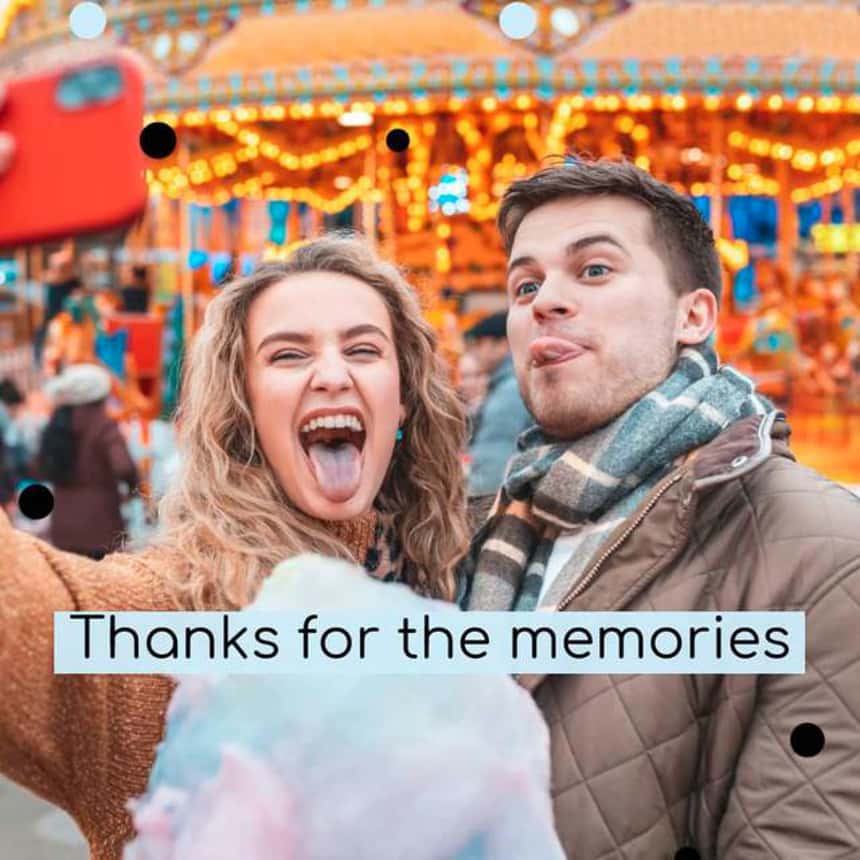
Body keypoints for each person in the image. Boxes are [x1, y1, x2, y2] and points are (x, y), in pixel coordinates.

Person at [0, 234, 469, 859]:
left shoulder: (468, 578)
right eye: (288, 355)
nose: (332, 373)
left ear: (403, 397)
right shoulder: (169, 619)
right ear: (243, 407)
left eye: (362, 349)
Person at [460, 158, 860, 857]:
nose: (544, 301)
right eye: (526, 284)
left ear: (693, 315)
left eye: (593, 271)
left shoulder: (819, 549)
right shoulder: (477, 531)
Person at [37, 363, 139, 558]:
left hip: (63, 527)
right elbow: (123, 466)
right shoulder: (103, 424)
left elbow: (40, 466)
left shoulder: (56, 424)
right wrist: (134, 487)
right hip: (101, 527)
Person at [463, 310, 534, 496]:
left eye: (480, 344)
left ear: (502, 345)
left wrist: (477, 510)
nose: (475, 351)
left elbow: (493, 464)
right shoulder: (513, 383)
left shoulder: (509, 391)